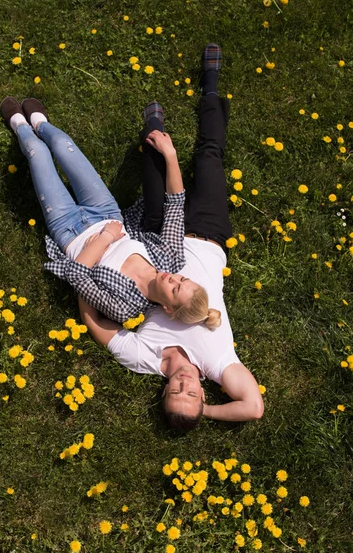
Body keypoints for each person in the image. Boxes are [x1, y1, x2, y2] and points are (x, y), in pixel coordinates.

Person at [79, 44, 264, 432]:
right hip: (210, 235)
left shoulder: (148, 359)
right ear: (203, 392)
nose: (185, 385)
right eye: (193, 394)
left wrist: (83, 278)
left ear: (163, 393)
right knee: (210, 157)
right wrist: (205, 413)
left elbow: (99, 328)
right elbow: (253, 407)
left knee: (154, 181)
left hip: (159, 237)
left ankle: (153, 129)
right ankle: (210, 85)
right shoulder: (217, 362)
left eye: (177, 392)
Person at [0, 97, 219, 328]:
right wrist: (170, 155)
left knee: (37, 152)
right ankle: (39, 122)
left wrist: (106, 238)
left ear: (168, 309)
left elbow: (75, 276)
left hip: (68, 230)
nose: (173, 278)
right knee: (63, 145)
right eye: (183, 279)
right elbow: (175, 207)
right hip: (104, 211)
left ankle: (18, 124)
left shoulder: (125, 307)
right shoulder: (170, 258)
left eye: (175, 289)